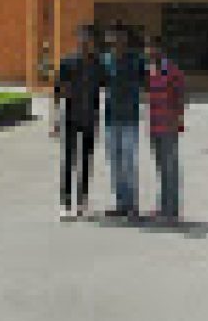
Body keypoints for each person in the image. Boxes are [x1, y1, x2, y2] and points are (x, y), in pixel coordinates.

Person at [52, 25, 105, 221]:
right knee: (68, 160)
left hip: (90, 118)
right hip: (71, 118)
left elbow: (104, 89)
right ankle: (65, 204)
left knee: (86, 161)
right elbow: (57, 91)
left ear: (92, 41)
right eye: (82, 37)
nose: (84, 41)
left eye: (88, 38)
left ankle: (83, 202)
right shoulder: (67, 63)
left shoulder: (97, 64)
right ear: (77, 39)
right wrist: (55, 119)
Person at [102, 23, 146, 218]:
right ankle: (120, 203)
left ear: (126, 39)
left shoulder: (137, 60)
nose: (116, 40)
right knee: (114, 162)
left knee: (128, 162)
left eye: (120, 37)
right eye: (112, 36)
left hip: (130, 118)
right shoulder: (104, 61)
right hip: (111, 118)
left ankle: (132, 204)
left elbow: (148, 83)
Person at [145, 36, 185, 222]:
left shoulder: (172, 71)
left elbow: (180, 97)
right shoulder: (150, 70)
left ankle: (172, 211)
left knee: (170, 168)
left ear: (160, 49)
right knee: (161, 167)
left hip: (168, 125)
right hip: (154, 124)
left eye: (153, 47)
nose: (149, 51)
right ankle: (163, 207)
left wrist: (177, 120)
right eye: (148, 48)